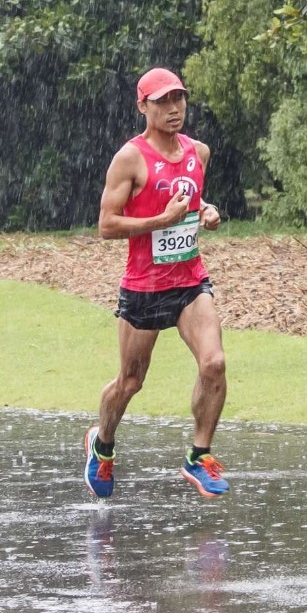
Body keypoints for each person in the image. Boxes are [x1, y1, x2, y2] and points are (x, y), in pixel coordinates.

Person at [84, 66, 229, 500]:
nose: (173, 109)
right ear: (142, 106)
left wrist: (206, 211)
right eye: (163, 101)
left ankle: (199, 456)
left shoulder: (197, 152)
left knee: (214, 364)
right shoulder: (129, 158)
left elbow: (192, 198)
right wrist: (159, 221)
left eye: (179, 99)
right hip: (144, 287)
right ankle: (102, 446)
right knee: (130, 381)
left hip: (189, 282)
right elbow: (106, 225)